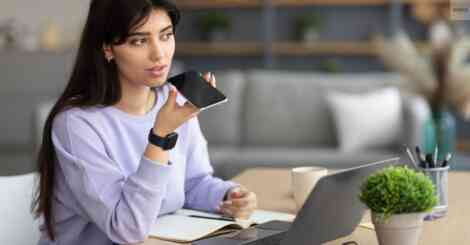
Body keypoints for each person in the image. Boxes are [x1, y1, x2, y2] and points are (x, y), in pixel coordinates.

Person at [33, 0, 257, 244]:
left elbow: (193, 183)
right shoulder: (76, 124)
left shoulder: (174, 100)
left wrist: (228, 195)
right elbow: (126, 229)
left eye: (166, 35)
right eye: (139, 41)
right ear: (108, 48)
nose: (159, 54)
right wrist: (160, 136)